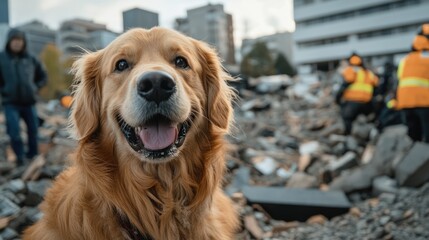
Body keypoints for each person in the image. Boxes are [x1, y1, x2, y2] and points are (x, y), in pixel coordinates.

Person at [0, 28, 47, 166]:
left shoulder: (31, 59)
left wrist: (35, 87)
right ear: (9, 42)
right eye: (14, 40)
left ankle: (32, 156)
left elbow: (43, 76)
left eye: (20, 40)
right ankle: (20, 158)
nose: (17, 43)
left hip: (29, 103)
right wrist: (4, 90)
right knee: (14, 132)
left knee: (33, 130)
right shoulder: (1, 58)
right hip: (10, 103)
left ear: (23, 42)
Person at [388, 23, 429, 142]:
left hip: (405, 102)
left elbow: (397, 83)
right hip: (425, 102)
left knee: (413, 135)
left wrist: (394, 101)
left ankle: (414, 157)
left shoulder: (405, 60)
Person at [335, 52, 379, 135]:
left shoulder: (350, 70)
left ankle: (348, 136)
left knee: (347, 118)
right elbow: (376, 86)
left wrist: (337, 98)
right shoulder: (368, 73)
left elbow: (344, 85)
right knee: (369, 120)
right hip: (367, 103)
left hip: (352, 102)